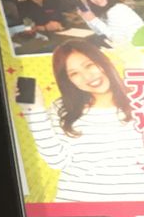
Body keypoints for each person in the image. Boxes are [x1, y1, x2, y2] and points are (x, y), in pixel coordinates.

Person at [20, 40, 144, 201]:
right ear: (68, 80)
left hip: (134, 206)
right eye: (74, 74)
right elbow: (57, 161)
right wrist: (35, 111)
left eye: (89, 65)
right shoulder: (63, 108)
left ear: (103, 61)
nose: (87, 77)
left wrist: (137, 64)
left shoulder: (138, 99)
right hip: (77, 203)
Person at [78, 0, 144, 48]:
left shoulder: (116, 10)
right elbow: (99, 32)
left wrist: (94, 20)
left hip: (137, 49)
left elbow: (117, 40)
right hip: (131, 47)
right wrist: (88, 18)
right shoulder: (108, 10)